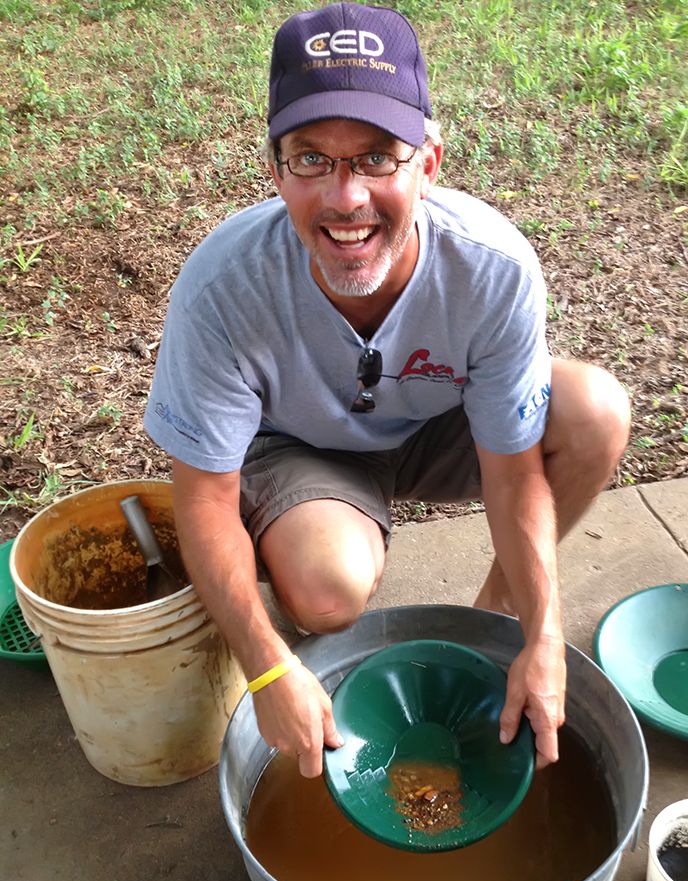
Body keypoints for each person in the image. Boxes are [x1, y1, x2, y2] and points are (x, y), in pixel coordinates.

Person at [144, 2, 630, 780]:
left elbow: (511, 471)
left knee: (595, 411)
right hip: (301, 446)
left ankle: (488, 629)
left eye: (377, 157)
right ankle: (321, 536)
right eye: (312, 159)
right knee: (328, 592)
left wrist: (543, 631)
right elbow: (202, 498)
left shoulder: (494, 268)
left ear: (428, 163)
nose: (345, 199)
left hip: (437, 423)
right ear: (275, 169)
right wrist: (268, 669)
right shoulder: (222, 288)